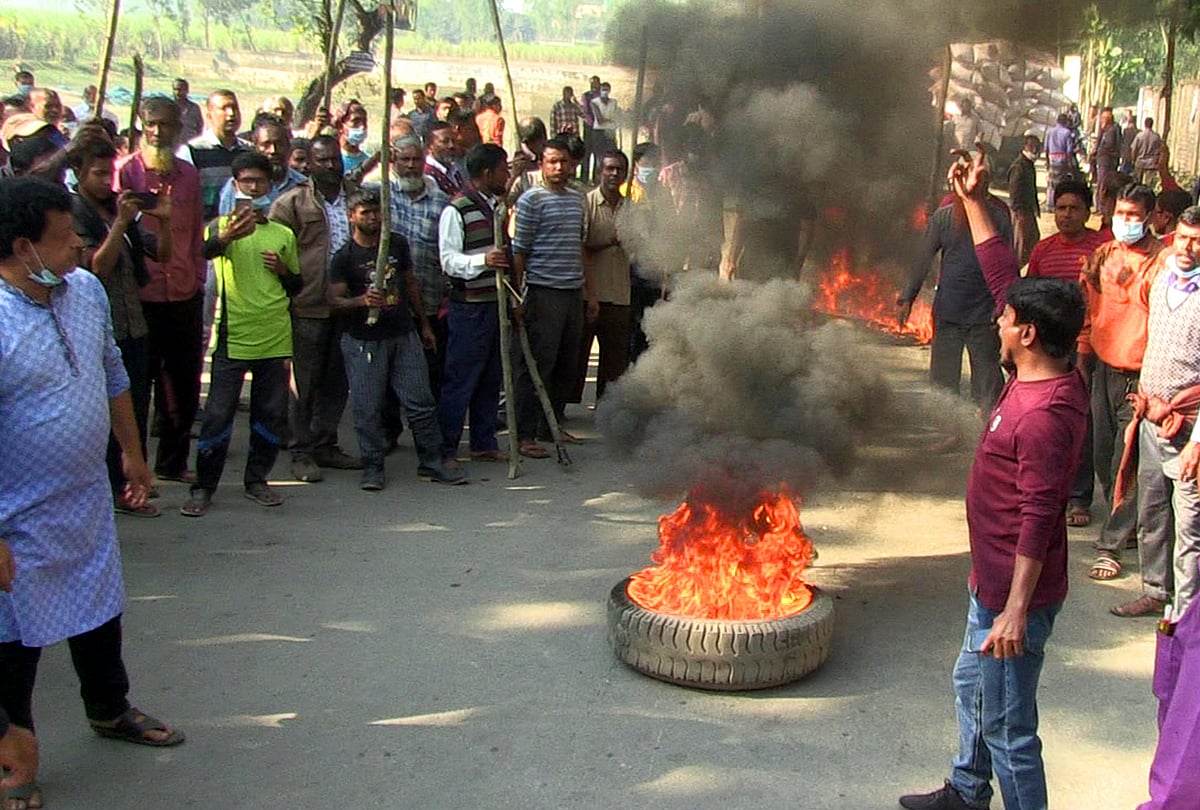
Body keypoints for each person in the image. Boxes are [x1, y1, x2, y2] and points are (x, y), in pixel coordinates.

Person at [899, 149, 1088, 810]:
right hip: (993, 579)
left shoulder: (1043, 414)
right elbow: (1002, 268)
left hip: (1015, 593)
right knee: (969, 687)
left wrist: (1012, 608)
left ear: (1027, 334)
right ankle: (966, 790)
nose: (997, 321)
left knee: (1010, 728)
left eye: (1007, 320)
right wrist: (975, 199)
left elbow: (1041, 514)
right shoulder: (1042, 368)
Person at [1, 178, 186, 810]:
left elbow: (111, 373)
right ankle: (13, 755)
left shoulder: (82, 291)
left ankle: (109, 709)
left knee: (99, 609)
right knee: (13, 640)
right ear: (23, 247)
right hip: (12, 516)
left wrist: (132, 454)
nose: (81, 243)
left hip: (83, 496)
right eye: (65, 235)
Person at [181, 153, 301, 516]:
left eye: (260, 182)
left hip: (275, 337)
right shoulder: (220, 229)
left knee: (269, 414)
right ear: (235, 186)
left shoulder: (283, 233)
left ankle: (257, 480)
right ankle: (204, 487)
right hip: (233, 339)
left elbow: (296, 284)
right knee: (218, 415)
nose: (253, 187)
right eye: (246, 181)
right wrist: (227, 236)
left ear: (271, 187)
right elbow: (205, 252)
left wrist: (282, 269)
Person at [327, 188, 466, 490]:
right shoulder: (344, 257)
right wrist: (362, 301)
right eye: (365, 213)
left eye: (376, 211)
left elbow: (410, 284)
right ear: (352, 216)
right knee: (368, 406)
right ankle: (373, 466)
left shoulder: (396, 244)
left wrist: (424, 325)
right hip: (363, 340)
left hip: (403, 334)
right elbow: (334, 302)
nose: (373, 218)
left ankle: (431, 462)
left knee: (420, 401)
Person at [70, 135, 174, 519]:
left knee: (135, 406)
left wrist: (163, 221)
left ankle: (135, 477)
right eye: (98, 174)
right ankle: (116, 487)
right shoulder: (75, 212)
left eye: (109, 174)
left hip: (133, 325)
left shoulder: (116, 207)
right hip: (100, 325)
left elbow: (161, 254)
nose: (106, 182)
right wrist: (120, 223)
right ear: (78, 174)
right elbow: (95, 266)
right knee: (106, 411)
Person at [1075, 184, 1168, 598]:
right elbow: (1088, 309)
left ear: (1150, 217)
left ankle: (1111, 546)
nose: (1125, 221)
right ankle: (1124, 524)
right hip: (1103, 370)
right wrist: (1082, 357)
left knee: (1124, 463)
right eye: (1120, 213)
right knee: (1101, 453)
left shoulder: (1162, 264)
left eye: (1134, 214)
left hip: (1141, 377)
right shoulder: (1102, 257)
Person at [1111, 206, 1200, 624]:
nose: (1187, 247)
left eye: (1196, 240)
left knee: (1190, 527)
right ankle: (1154, 591)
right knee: (1151, 511)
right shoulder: (1165, 280)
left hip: (1189, 429)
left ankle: (1185, 613)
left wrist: (1196, 437)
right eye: (1182, 237)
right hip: (1151, 419)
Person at [116, 97, 206, 485]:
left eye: (166, 125)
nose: (158, 132)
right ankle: (133, 468)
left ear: (178, 128)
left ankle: (173, 462)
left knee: (183, 385)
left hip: (185, 292)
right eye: (151, 124)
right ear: (141, 124)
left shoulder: (188, 174)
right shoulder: (126, 173)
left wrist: (199, 277)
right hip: (141, 296)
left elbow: (198, 229)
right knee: (136, 387)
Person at [269, 134, 359, 483]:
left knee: (337, 381)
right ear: (308, 162)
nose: (331, 165)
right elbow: (277, 254)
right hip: (308, 303)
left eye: (335, 158)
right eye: (322, 160)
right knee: (303, 382)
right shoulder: (291, 203)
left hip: (348, 304)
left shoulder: (357, 197)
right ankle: (301, 450)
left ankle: (325, 443)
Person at [1025, 180, 1110, 533]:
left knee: (1084, 422)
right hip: (1048, 350)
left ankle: (1078, 497)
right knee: (1044, 423)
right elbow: (1029, 297)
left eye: (1074, 208)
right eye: (1061, 208)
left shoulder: (1102, 249)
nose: (1066, 215)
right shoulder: (1043, 251)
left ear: (1087, 211)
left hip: (1088, 348)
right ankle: (1043, 492)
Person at [901, 169, 1016, 413]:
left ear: (987, 182)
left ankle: (986, 432)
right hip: (948, 313)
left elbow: (1007, 265)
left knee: (987, 383)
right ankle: (950, 432)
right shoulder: (943, 218)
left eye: (980, 179)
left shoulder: (999, 218)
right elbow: (923, 258)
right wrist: (907, 297)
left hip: (985, 316)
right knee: (943, 382)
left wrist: (1004, 309)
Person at [511, 138, 598, 458]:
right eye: (551, 162)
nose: (558, 168)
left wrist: (591, 294)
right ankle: (524, 433)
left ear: (572, 164)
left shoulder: (578, 200)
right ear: (541, 165)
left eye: (563, 162)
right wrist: (517, 297)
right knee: (537, 364)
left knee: (567, 364)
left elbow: (580, 248)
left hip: (572, 291)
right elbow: (520, 252)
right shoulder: (531, 200)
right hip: (543, 291)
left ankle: (551, 424)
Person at [436, 143, 511, 464]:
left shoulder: (494, 207)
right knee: (461, 379)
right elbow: (448, 260)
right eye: (503, 169)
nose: (507, 174)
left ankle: (483, 441)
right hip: (469, 308)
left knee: (490, 377)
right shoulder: (457, 210)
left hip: (495, 304)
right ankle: (446, 447)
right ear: (486, 173)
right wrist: (484, 260)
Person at [387, 135, 452, 396]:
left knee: (430, 371)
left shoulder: (441, 201)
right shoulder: (380, 195)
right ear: (394, 162)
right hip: (390, 303)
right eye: (405, 159)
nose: (412, 165)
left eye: (417, 159)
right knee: (388, 376)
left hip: (429, 301)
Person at [572, 149, 632, 405]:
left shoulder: (631, 208)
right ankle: (563, 409)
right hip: (590, 294)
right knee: (577, 358)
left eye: (619, 169)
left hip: (620, 294)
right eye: (609, 168)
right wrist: (609, 240)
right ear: (600, 172)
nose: (614, 174)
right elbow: (580, 246)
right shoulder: (586, 204)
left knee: (615, 362)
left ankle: (606, 409)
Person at [216, 116, 307, 216]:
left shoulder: (302, 184)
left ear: (288, 146)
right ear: (255, 147)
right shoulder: (239, 185)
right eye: (266, 144)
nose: (273, 151)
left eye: (279, 144)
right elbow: (227, 224)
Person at [185, 89, 251, 220]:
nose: (231, 114)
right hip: (208, 227)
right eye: (224, 108)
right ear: (209, 115)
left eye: (234, 108)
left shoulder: (249, 151)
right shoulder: (193, 151)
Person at [1007, 135, 1041, 269]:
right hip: (1021, 211)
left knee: (1032, 240)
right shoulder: (1019, 166)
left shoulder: (1028, 165)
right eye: (1031, 146)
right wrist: (1018, 211)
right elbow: (1014, 191)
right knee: (1021, 244)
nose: (1034, 149)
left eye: (1036, 147)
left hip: (1028, 210)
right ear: (1024, 147)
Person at [1090, 107, 1120, 222]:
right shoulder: (1107, 130)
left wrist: (1098, 151)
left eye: (1103, 118)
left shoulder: (1111, 130)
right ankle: (1099, 206)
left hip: (1106, 161)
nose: (1102, 120)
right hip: (1103, 160)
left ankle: (1101, 207)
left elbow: (1109, 145)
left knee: (1103, 184)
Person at [587, 83, 619, 183]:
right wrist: (609, 120)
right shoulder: (594, 102)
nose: (605, 92)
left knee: (611, 155)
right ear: (600, 90)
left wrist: (610, 120)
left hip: (610, 131)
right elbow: (599, 119)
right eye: (603, 89)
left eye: (607, 89)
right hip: (598, 131)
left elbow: (616, 116)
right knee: (599, 157)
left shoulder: (614, 102)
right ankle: (597, 179)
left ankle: (608, 178)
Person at [1043, 114, 1077, 209]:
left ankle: (1049, 204)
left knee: (1051, 182)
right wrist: (1070, 164)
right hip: (1062, 159)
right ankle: (1057, 203)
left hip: (1052, 158)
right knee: (1060, 183)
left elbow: (1046, 148)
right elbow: (1069, 150)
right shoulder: (1067, 133)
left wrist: (1047, 161)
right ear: (1065, 122)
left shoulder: (1049, 131)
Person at [424, 121, 464, 196]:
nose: (451, 146)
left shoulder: (455, 170)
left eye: (454, 141)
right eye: (445, 142)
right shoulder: (427, 176)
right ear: (429, 146)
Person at [334, 99, 370, 175]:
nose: (362, 126)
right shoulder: (333, 161)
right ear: (340, 126)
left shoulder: (369, 162)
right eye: (356, 121)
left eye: (364, 121)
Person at [579, 76, 602, 183]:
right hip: (589, 128)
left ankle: (596, 179)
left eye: (596, 83)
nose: (593, 85)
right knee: (586, 153)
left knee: (598, 154)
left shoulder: (602, 96)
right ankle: (584, 178)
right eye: (592, 83)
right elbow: (585, 112)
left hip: (600, 129)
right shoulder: (586, 96)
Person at [1132, 118, 1164, 187]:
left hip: (1140, 161)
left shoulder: (1139, 136)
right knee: (1149, 184)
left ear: (1145, 124)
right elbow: (1160, 150)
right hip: (1151, 162)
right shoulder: (1156, 137)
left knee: (1136, 182)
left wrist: (1133, 159)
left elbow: (1134, 149)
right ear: (1152, 125)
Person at [173, 78, 204, 142]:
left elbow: (200, 126)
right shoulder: (169, 107)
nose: (177, 92)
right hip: (173, 145)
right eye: (175, 89)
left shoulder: (194, 108)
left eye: (180, 90)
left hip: (189, 143)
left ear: (186, 90)